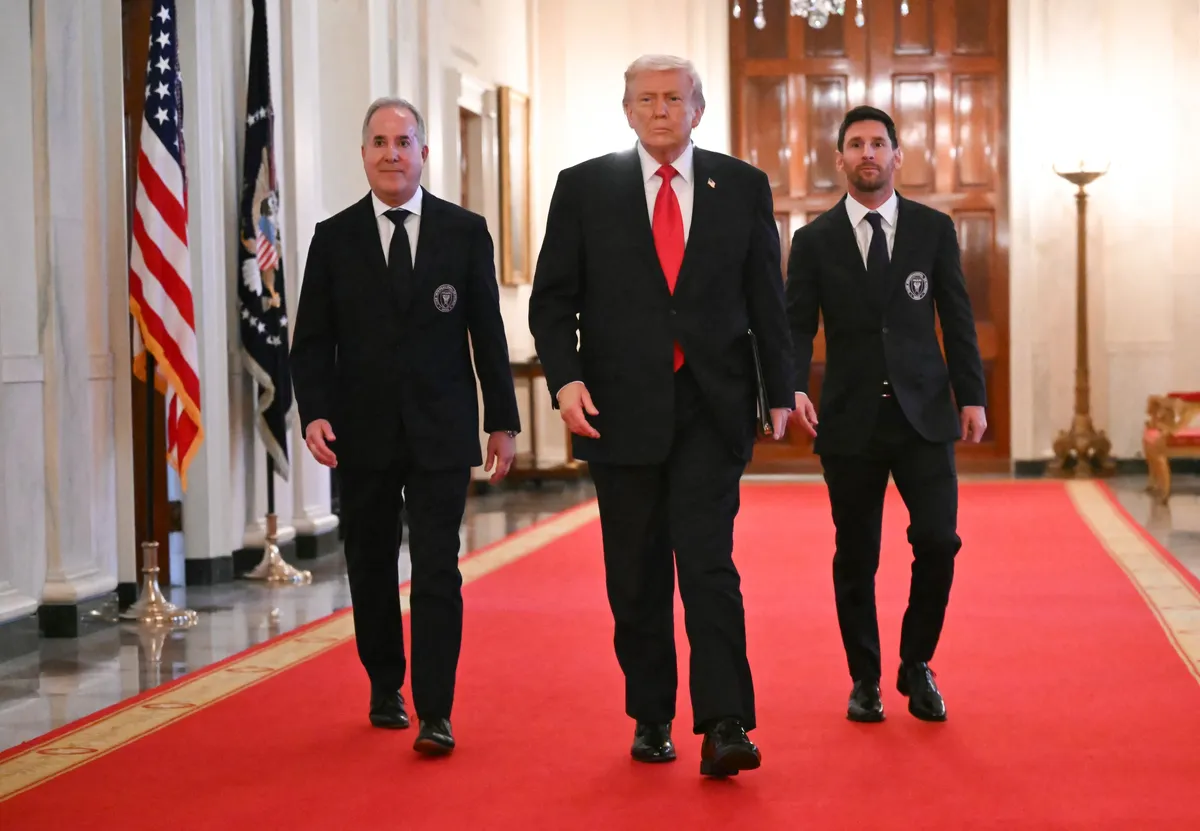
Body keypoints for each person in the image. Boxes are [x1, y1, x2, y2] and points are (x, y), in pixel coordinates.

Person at [528, 54, 795, 777]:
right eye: (645, 99)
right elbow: (552, 301)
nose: (659, 110)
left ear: (698, 110)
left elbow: (767, 297)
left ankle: (726, 721)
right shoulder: (585, 188)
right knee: (637, 572)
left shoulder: (740, 186)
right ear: (626, 111)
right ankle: (651, 712)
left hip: (713, 404)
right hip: (619, 409)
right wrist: (566, 380)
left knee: (709, 561)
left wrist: (781, 386)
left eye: (673, 98)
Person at [290, 97, 520, 756]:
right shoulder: (334, 239)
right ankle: (384, 680)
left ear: (425, 152)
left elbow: (487, 333)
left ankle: (436, 709)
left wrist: (501, 420)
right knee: (368, 562)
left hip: (442, 431)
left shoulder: (464, 231)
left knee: (439, 567)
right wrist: (317, 411)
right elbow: (313, 342)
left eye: (405, 141)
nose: (393, 153)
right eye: (381, 142)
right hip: (361, 435)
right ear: (363, 154)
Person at [786, 105, 987, 724]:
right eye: (856, 145)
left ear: (898, 156)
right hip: (849, 422)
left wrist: (971, 395)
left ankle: (916, 664)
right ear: (840, 159)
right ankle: (865, 678)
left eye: (879, 144)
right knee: (858, 555)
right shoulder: (814, 241)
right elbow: (795, 326)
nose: (868, 154)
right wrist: (791, 388)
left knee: (938, 541)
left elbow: (955, 316)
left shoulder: (932, 230)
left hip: (924, 416)